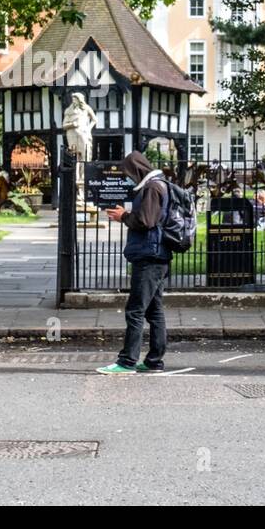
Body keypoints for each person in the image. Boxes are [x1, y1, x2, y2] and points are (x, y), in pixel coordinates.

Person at [98, 150, 171, 374]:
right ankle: (154, 361)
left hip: (149, 257)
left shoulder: (151, 188)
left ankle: (127, 361)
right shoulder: (159, 185)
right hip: (158, 255)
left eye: (129, 173)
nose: (129, 178)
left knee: (135, 311)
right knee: (154, 311)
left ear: (137, 169)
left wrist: (124, 216)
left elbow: (146, 221)